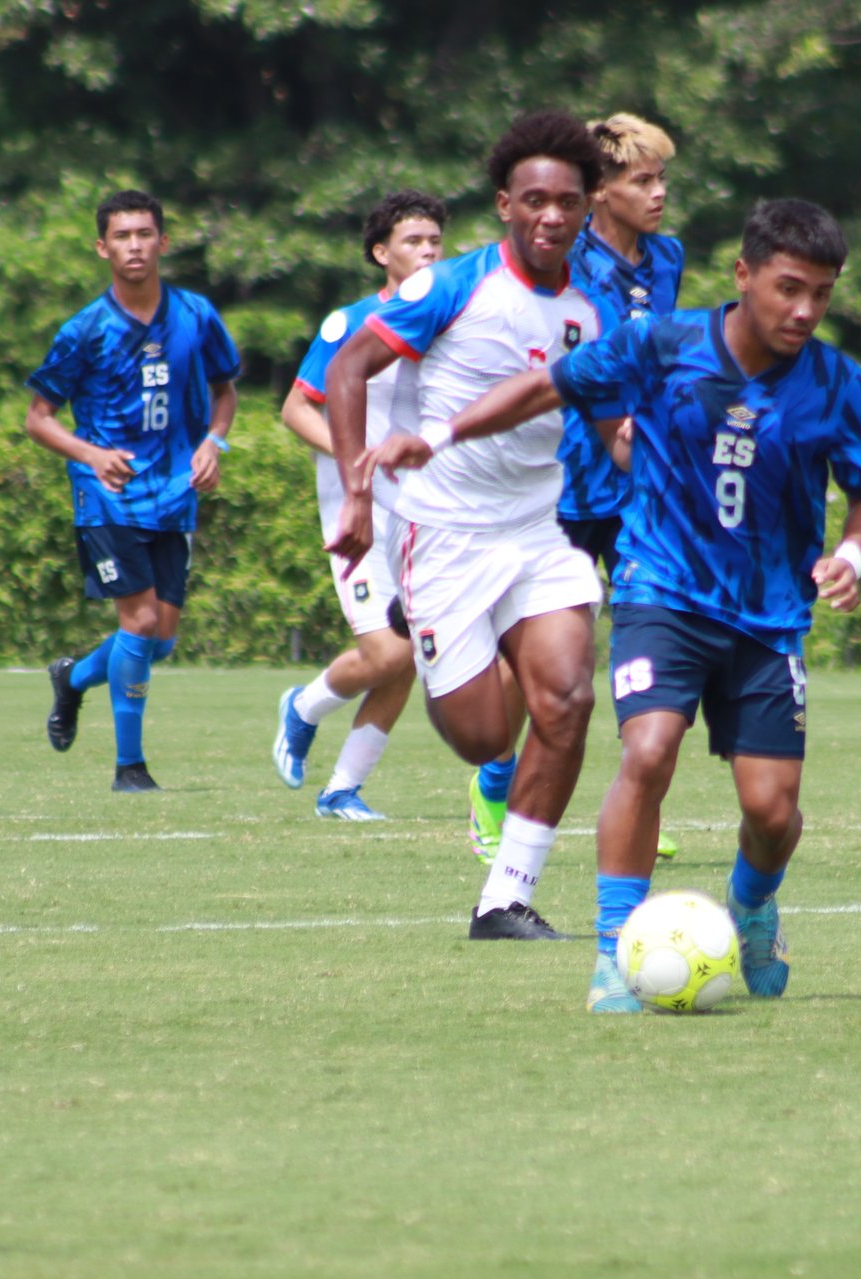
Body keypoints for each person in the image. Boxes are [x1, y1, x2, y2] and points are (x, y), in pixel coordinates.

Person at [367, 198, 861, 1012]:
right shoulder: (663, 343)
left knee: (772, 811)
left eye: (822, 294)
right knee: (647, 752)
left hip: (769, 614)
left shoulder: (835, 383)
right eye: (790, 287)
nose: (805, 310)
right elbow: (545, 385)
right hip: (662, 589)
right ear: (744, 274)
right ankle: (616, 953)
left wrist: (851, 555)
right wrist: (440, 438)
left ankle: (752, 903)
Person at [324, 111, 608, 941]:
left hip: (540, 531)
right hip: (444, 531)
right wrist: (357, 493)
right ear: (504, 206)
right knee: (488, 734)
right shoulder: (450, 285)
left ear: (587, 208)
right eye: (534, 201)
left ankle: (503, 899)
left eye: (567, 202)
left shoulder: (594, 312)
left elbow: (617, 419)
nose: (551, 216)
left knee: (570, 698)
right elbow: (348, 369)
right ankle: (446, 637)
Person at [29, 189, 241, 793]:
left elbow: (225, 391)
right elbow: (38, 418)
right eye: (122, 236)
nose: (135, 246)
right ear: (103, 248)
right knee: (140, 622)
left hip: (174, 492)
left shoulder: (197, 315)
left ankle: (71, 680)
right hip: (107, 496)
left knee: (161, 640)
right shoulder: (85, 330)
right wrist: (92, 455)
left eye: (145, 234)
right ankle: (130, 768)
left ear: (163, 242)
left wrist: (214, 444)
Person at [270, 190, 446, 820]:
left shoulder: (452, 319)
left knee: (409, 659)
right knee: (387, 654)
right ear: (381, 254)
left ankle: (341, 789)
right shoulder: (348, 324)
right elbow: (296, 407)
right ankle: (304, 706)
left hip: (428, 515)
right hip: (358, 512)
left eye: (434, 242)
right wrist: (356, 468)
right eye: (412, 242)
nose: (427, 252)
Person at [547, 112, 688, 865]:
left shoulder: (668, 259)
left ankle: (642, 805)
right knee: (557, 671)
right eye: (643, 180)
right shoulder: (570, 265)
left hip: (642, 483)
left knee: (651, 640)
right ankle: (498, 782)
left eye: (662, 178)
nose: (659, 192)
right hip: (572, 481)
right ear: (600, 191)